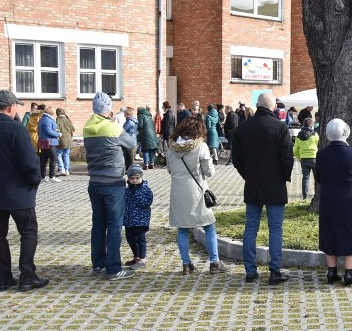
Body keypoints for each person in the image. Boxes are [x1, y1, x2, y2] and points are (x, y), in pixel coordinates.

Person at [0, 90, 48, 292]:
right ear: (10, 107)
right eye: (16, 105)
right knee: (28, 232)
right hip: (19, 192)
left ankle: (3, 279)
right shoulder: (16, 129)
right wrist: (34, 182)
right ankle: (27, 276)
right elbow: (30, 163)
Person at [231, 93, 295, 285]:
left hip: (253, 184)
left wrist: (248, 175)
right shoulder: (281, 127)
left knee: (251, 227)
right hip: (275, 184)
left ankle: (250, 271)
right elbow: (287, 158)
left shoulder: (243, 128)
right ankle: (275, 270)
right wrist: (285, 176)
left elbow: (237, 159)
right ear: (273, 107)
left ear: (257, 106)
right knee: (275, 228)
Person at [83, 92, 137, 281]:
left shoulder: (87, 127)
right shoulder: (112, 128)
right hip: (113, 183)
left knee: (98, 224)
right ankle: (113, 269)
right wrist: (117, 124)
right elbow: (131, 143)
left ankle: (98, 264)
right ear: (108, 109)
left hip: (94, 182)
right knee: (114, 225)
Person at [165, 116, 228, 275]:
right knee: (209, 225)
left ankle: (186, 264)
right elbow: (209, 172)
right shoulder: (201, 146)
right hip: (197, 191)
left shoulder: (171, 147)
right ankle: (214, 262)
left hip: (178, 191)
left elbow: (170, 170)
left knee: (183, 228)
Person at [316, 118, 352, 286]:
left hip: (328, 200)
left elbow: (318, 177)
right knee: (350, 233)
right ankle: (349, 274)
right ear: (346, 133)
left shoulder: (321, 154)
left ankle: (331, 272)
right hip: (351, 202)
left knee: (329, 232)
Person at [123, 164, 153, 270]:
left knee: (141, 239)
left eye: (137, 178)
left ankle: (142, 258)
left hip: (141, 220)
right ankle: (136, 256)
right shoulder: (127, 190)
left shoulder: (146, 189)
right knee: (130, 238)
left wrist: (136, 192)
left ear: (141, 177)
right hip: (129, 219)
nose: (135, 181)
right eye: (132, 179)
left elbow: (145, 203)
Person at [293, 118, 319, 200]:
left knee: (305, 178)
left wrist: (299, 157)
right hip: (314, 158)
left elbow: (295, 150)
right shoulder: (315, 135)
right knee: (317, 178)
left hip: (304, 159)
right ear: (311, 125)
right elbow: (318, 144)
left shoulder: (298, 136)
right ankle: (316, 195)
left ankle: (305, 196)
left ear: (303, 125)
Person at [37, 106, 61, 183]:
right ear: (50, 112)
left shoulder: (42, 119)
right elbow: (48, 131)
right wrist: (58, 134)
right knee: (54, 159)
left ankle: (42, 176)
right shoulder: (48, 120)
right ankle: (52, 176)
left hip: (43, 142)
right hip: (50, 142)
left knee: (43, 160)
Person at [137, 106, 158, 170]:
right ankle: (152, 164)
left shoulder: (141, 115)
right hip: (152, 133)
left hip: (145, 133)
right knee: (151, 149)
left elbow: (140, 125)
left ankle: (146, 165)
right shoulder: (149, 115)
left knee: (146, 149)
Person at [55, 108, 74, 177]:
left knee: (58, 154)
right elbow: (73, 129)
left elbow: (56, 130)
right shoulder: (68, 120)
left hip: (61, 140)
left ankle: (61, 169)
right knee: (66, 155)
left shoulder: (58, 120)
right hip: (69, 140)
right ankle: (67, 170)